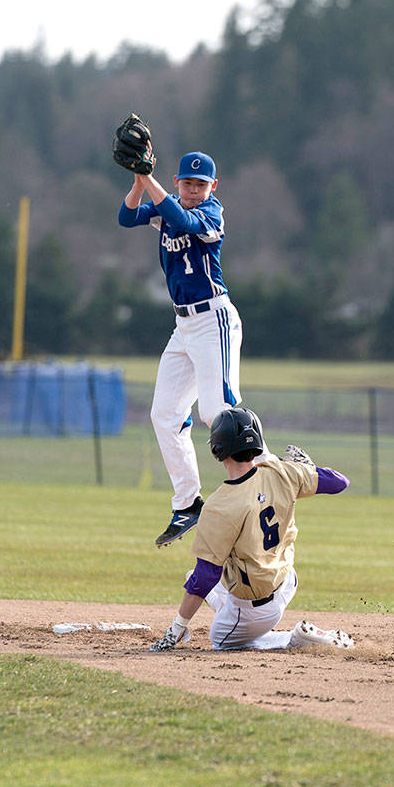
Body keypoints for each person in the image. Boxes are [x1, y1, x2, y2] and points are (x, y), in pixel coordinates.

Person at [147, 405, 355, 652]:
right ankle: (242, 615)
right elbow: (340, 482)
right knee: (194, 577)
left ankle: (295, 639)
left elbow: (207, 576)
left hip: (255, 609)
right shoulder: (282, 471)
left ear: (218, 448)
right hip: (286, 580)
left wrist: (177, 628)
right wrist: (307, 470)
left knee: (220, 640)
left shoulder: (219, 505)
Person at [118, 150, 244, 547]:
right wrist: (139, 180)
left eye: (200, 184)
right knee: (165, 415)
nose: (193, 190)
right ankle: (189, 502)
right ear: (177, 182)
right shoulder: (165, 205)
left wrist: (149, 178)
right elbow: (126, 216)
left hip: (213, 320)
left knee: (217, 411)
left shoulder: (211, 214)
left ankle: (265, 482)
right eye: (187, 183)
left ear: (213, 187)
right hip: (183, 325)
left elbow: (183, 220)